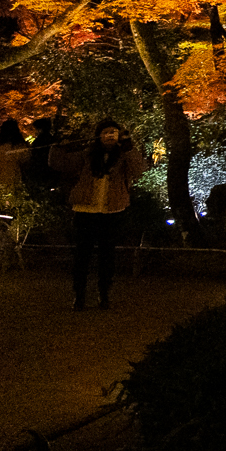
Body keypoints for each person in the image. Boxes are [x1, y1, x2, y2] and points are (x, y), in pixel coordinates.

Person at [51, 121, 150, 310]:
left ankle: (104, 294)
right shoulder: (87, 155)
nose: (110, 136)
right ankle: (79, 296)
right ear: (99, 135)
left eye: (114, 132)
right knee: (82, 256)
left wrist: (129, 148)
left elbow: (139, 169)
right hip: (85, 210)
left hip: (112, 211)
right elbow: (60, 163)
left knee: (107, 256)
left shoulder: (123, 156)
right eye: (106, 132)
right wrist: (58, 146)